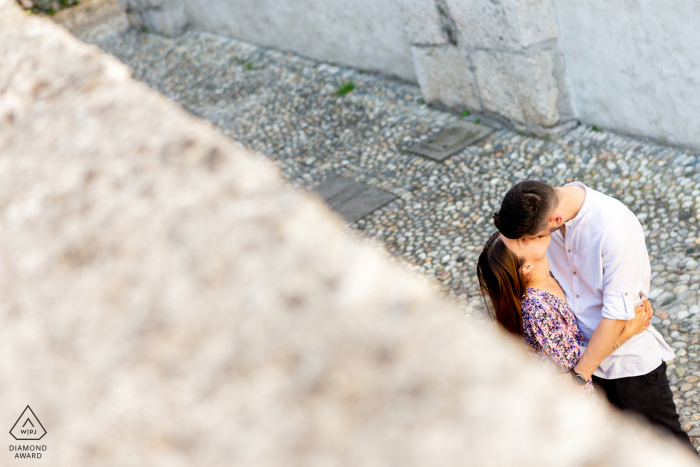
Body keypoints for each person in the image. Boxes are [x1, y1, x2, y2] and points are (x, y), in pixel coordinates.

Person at [493, 180, 694, 452]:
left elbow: (616, 316)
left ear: (555, 219)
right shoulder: (539, 213)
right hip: (580, 368)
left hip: (627, 367)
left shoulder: (613, 229)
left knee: (669, 449)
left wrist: (578, 376)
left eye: (531, 238)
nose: (528, 242)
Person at [476, 230, 652, 407]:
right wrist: (628, 330)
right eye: (522, 240)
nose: (529, 232)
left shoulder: (549, 273)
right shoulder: (538, 310)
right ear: (526, 267)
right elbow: (579, 367)